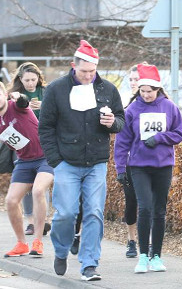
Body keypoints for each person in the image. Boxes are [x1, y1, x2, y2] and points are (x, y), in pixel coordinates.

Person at [38, 40, 125, 281]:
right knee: (66, 213)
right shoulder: (56, 90)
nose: (88, 76)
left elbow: (121, 119)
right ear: (73, 66)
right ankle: (62, 250)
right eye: (84, 71)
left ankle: (89, 264)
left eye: (92, 71)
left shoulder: (107, 89)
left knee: (94, 213)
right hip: (66, 162)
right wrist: (55, 160)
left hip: (96, 162)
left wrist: (113, 124)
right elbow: (45, 128)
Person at [0, 79, 54, 258]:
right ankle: (21, 244)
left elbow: (24, 101)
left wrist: (19, 96)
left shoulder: (17, 106)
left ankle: (37, 242)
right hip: (24, 162)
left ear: (5, 95)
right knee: (10, 201)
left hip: (45, 157)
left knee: (38, 191)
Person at [114, 63, 182, 273]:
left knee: (159, 211)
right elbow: (122, 141)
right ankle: (143, 256)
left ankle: (157, 256)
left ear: (158, 90)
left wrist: (160, 138)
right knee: (144, 207)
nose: (146, 95)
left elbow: (179, 133)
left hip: (163, 165)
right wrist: (120, 167)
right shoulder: (132, 110)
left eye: (150, 92)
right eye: (142, 91)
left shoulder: (169, 107)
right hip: (138, 166)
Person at [7, 62, 51, 237]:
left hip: (44, 142)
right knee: (26, 184)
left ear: (38, 78)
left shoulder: (47, 92)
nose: (31, 83)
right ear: (20, 79)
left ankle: (44, 219)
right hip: (23, 144)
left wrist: (43, 107)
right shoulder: (14, 95)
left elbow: (58, 112)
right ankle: (31, 221)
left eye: (33, 80)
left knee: (42, 185)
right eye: (27, 80)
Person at [117, 64, 141, 258]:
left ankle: (149, 241)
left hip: (153, 162)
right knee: (131, 201)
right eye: (131, 80)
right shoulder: (127, 104)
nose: (134, 83)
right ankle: (131, 240)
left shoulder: (161, 103)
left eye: (137, 79)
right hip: (130, 161)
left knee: (151, 204)